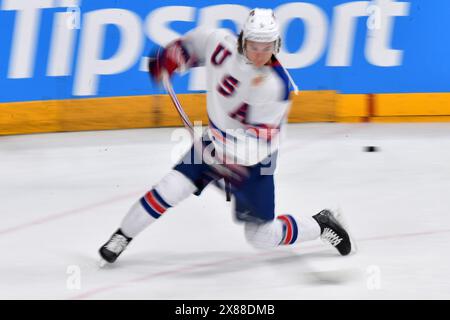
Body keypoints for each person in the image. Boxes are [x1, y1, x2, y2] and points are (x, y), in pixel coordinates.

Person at [98, 8, 353, 264]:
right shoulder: (220, 43)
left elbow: (263, 143)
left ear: (277, 44)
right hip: (214, 143)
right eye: (255, 46)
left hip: (253, 164)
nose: (261, 54)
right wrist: (171, 57)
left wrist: (229, 159)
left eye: (268, 47)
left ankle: (321, 224)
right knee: (170, 187)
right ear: (243, 40)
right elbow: (192, 46)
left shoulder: (277, 87)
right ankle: (122, 236)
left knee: (261, 236)